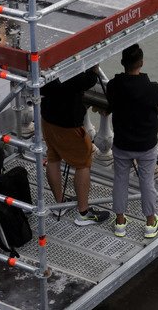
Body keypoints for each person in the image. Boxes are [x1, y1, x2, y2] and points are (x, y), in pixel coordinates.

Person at [106, 44, 158, 240]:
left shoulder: (113, 85)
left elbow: (112, 102)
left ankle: (120, 222)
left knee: (120, 180)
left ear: (123, 63)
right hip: (146, 144)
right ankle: (150, 223)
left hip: (122, 142)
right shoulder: (152, 88)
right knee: (147, 182)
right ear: (141, 63)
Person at [41, 67, 112, 226]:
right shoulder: (71, 72)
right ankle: (83, 213)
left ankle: (59, 204)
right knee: (83, 163)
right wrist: (93, 68)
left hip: (47, 116)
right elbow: (89, 80)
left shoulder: (50, 67)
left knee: (53, 158)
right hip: (68, 123)